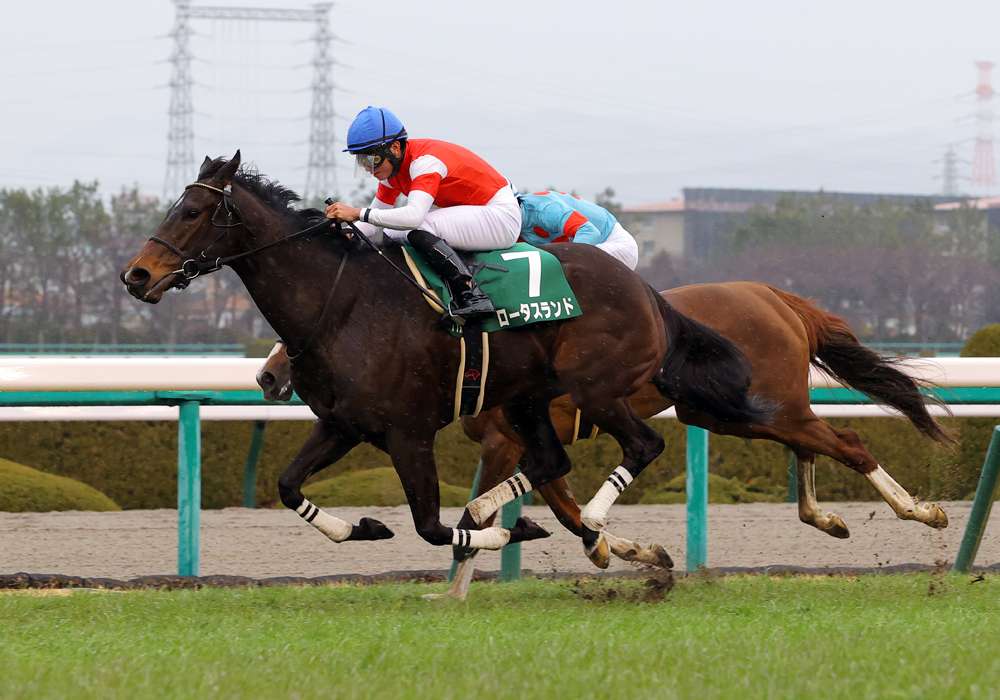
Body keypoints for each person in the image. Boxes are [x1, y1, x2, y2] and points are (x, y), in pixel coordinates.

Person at [325, 106, 521, 318]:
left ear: (395, 149)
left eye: (372, 160)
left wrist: (356, 213)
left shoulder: (424, 163)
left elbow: (413, 217)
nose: (368, 168)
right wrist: (348, 232)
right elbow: (375, 220)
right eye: (361, 160)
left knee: (417, 227)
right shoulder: (392, 172)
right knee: (390, 233)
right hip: (476, 213)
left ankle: (472, 294)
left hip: (501, 216)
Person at [516, 191, 639, 271]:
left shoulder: (545, 209)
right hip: (594, 248)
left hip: (616, 245)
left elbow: (589, 233)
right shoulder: (514, 229)